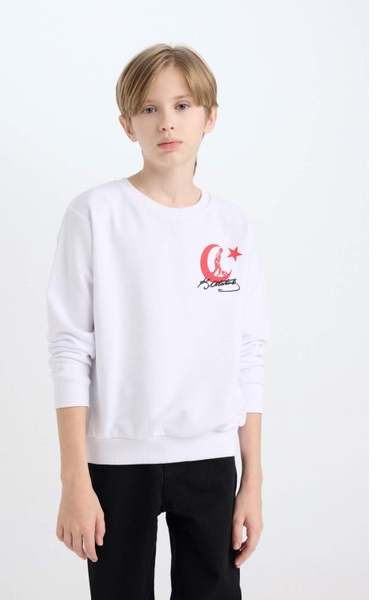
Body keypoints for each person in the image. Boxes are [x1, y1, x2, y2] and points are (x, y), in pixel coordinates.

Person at [46, 42, 269, 600]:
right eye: (149, 109)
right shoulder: (95, 214)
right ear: (128, 125)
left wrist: (253, 480)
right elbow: (70, 348)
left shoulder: (233, 227)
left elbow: (249, 354)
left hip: (211, 457)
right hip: (118, 460)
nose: (167, 122)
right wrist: (75, 480)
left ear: (209, 117)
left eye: (182, 105)